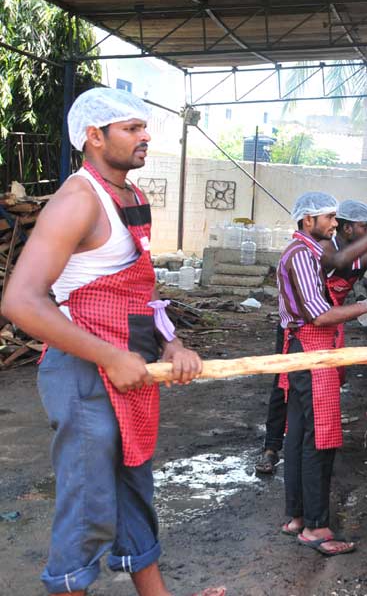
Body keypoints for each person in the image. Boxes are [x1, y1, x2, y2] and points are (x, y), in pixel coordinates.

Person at [0, 88, 205, 595]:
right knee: (89, 508)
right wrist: (109, 356)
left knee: (135, 493)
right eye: (131, 128)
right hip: (83, 372)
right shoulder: (78, 200)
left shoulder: (132, 198)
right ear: (94, 137)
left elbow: (142, 290)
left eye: (143, 127)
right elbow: (20, 302)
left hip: (128, 365)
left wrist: (171, 344)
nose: (146, 136)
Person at [275, 191, 367, 555]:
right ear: (308, 221)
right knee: (319, 440)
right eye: (329, 218)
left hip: (305, 349)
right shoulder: (302, 255)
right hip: (312, 350)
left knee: (300, 435)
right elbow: (319, 315)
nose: (334, 224)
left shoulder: (308, 251)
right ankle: (316, 527)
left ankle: (297, 517)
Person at [254, 200, 367, 475]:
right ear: (349, 229)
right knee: (284, 386)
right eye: (365, 226)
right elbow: (338, 262)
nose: (335, 224)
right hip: (303, 325)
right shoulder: (326, 248)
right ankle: (272, 446)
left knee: (327, 381)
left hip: (331, 321)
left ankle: (314, 441)